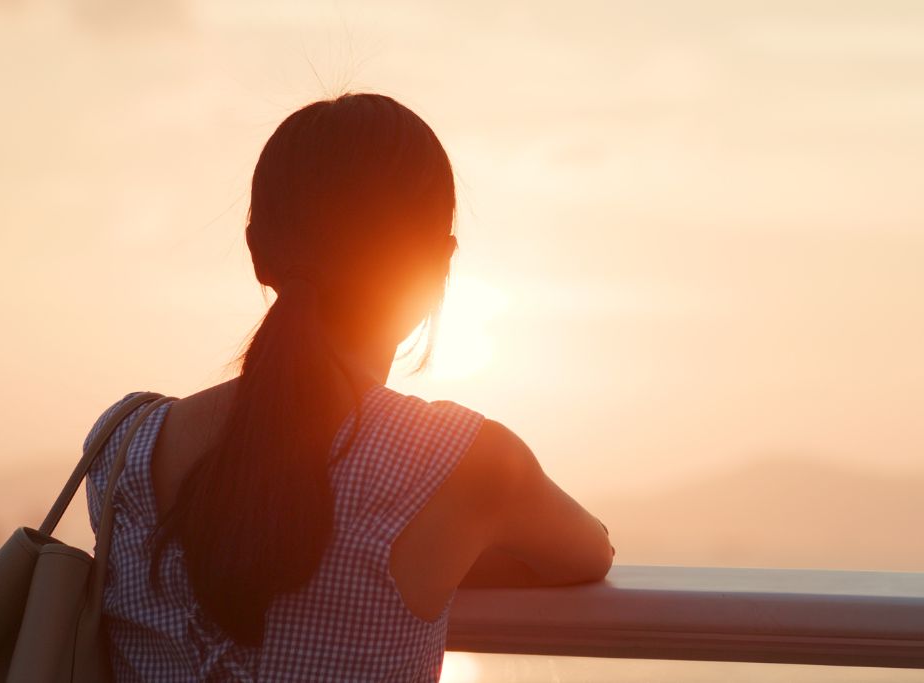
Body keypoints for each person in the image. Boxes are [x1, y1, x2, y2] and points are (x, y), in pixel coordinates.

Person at [83, 92, 613, 682]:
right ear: (440, 263)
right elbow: (590, 553)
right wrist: (454, 548)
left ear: (258, 252)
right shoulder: (466, 463)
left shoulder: (122, 446)